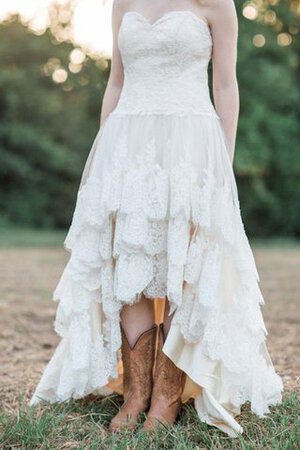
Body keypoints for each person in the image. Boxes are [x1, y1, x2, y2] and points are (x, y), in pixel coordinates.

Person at [30, 0, 283, 437]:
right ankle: (136, 392)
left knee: (186, 266)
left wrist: (222, 165)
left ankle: (166, 398)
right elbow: (115, 82)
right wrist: (104, 153)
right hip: (128, 142)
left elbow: (225, 87)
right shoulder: (123, 1)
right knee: (132, 264)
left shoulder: (216, 4)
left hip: (191, 145)